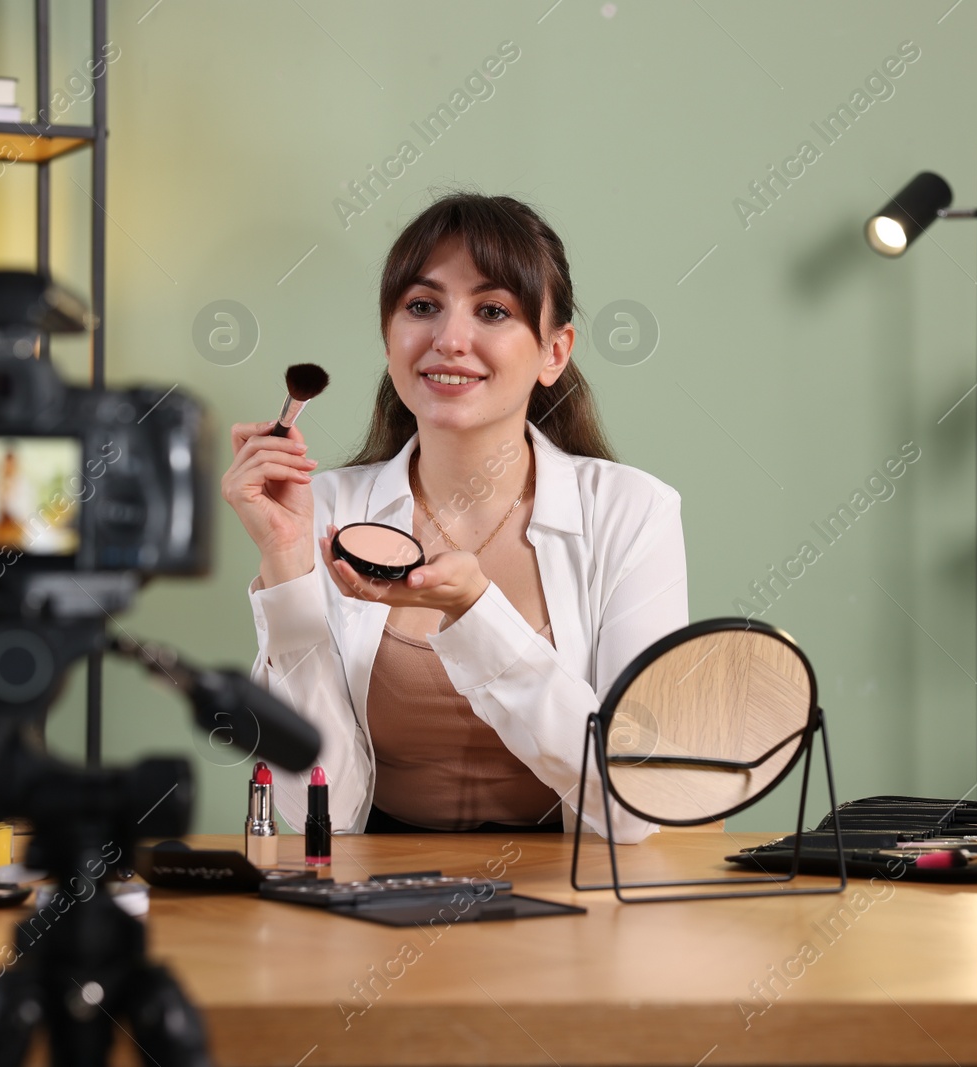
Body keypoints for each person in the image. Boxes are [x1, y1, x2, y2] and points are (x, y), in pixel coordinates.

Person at [222, 192, 686, 843]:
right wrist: (288, 566)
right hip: (372, 894)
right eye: (422, 306)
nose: (449, 340)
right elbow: (320, 812)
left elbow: (630, 803)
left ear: (555, 352)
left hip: (569, 895)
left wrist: (475, 612)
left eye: (492, 310)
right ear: (389, 339)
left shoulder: (634, 512)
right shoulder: (322, 511)